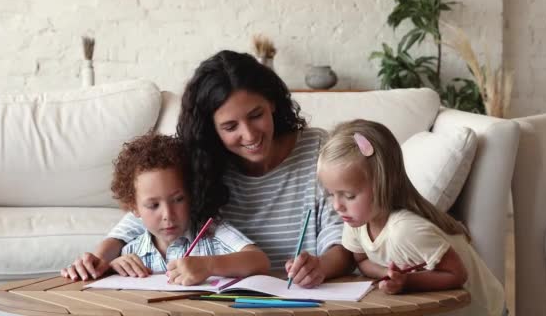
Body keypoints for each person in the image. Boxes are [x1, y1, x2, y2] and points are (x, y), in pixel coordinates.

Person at [61, 50, 353, 288]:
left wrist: (320, 267)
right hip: (225, 301)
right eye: (230, 126)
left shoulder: (318, 150)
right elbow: (149, 211)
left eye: (256, 115)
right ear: (212, 130)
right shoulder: (204, 160)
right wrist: (100, 257)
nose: (249, 135)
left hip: (304, 296)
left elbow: (342, 242)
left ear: (273, 103)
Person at [317, 119, 505, 316]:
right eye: (331, 194)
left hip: (484, 310)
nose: (337, 206)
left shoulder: (405, 230)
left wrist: (406, 282)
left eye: (349, 196)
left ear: (383, 183)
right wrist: (388, 274)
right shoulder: (357, 222)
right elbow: (361, 260)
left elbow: (457, 274)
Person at [64, 133, 270, 285]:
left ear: (192, 194)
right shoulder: (130, 252)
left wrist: (209, 266)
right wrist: (113, 269)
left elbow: (259, 261)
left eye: (178, 199)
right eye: (153, 205)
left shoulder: (212, 232)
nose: (168, 215)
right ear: (133, 208)